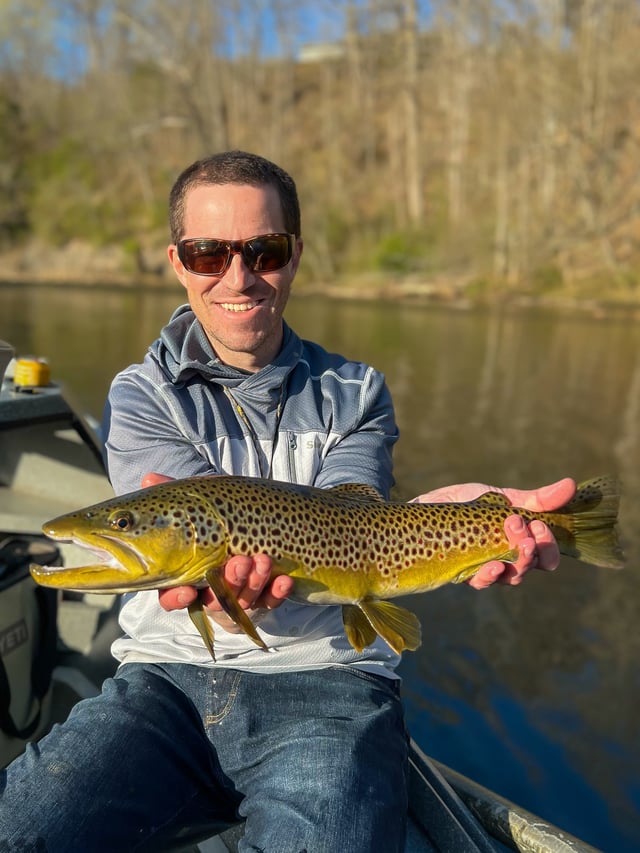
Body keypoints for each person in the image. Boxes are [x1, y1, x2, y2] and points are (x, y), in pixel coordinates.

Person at [0, 150, 575, 852]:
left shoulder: (357, 390)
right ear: (177, 261)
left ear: (295, 255)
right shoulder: (140, 393)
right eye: (209, 253)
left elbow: (352, 513)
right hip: (164, 684)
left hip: (329, 684)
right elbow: (185, 528)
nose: (237, 277)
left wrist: (465, 523)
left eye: (263, 250)